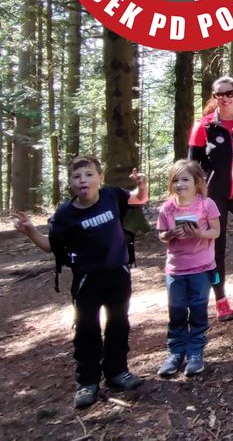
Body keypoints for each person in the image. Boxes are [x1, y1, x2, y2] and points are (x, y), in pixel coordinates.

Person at [15, 157, 148, 409]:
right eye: (77, 177)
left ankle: (117, 372)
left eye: (88, 175)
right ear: (70, 183)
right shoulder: (65, 215)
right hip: (87, 279)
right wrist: (30, 230)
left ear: (100, 178)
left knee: (119, 323)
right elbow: (49, 246)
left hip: (118, 274)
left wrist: (141, 186)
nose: (83, 180)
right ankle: (87, 382)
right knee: (87, 329)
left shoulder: (112, 196)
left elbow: (139, 199)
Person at [188, 76, 233, 321]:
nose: (224, 98)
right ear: (214, 96)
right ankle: (220, 299)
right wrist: (195, 197)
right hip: (213, 196)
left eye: (229, 93)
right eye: (219, 94)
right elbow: (192, 165)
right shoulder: (203, 126)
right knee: (215, 249)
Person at [155, 160, 220, 379]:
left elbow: (215, 232)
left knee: (198, 309)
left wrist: (198, 233)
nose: (180, 184)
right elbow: (162, 235)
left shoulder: (206, 204)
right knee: (177, 310)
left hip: (201, 267)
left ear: (197, 182)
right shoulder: (167, 207)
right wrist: (171, 234)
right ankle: (175, 353)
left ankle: (195, 353)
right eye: (176, 180)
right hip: (176, 269)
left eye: (185, 179)